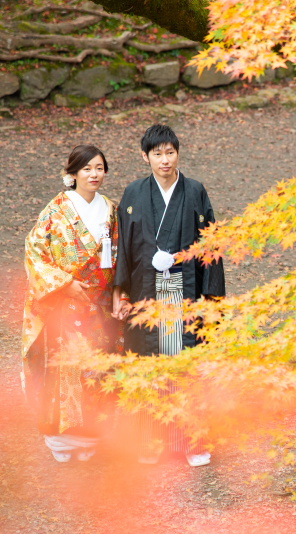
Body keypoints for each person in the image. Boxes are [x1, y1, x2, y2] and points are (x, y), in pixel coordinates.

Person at [112, 124, 225, 467]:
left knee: (182, 362)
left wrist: (212, 299)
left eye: (170, 152)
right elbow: (123, 250)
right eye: (157, 154)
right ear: (144, 156)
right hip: (145, 290)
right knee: (148, 363)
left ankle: (189, 442)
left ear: (178, 152)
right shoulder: (133, 194)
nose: (164, 160)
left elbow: (211, 244)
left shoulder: (194, 192)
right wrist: (119, 291)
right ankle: (149, 442)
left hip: (183, 288)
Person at [21, 145, 123, 463]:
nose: (94, 175)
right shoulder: (56, 210)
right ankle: (60, 438)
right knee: (66, 368)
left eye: (99, 168)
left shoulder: (110, 209)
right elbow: (34, 251)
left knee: (96, 366)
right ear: (72, 174)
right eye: (87, 169)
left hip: (100, 302)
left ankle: (91, 434)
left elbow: (120, 253)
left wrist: (119, 289)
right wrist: (65, 284)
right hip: (66, 301)